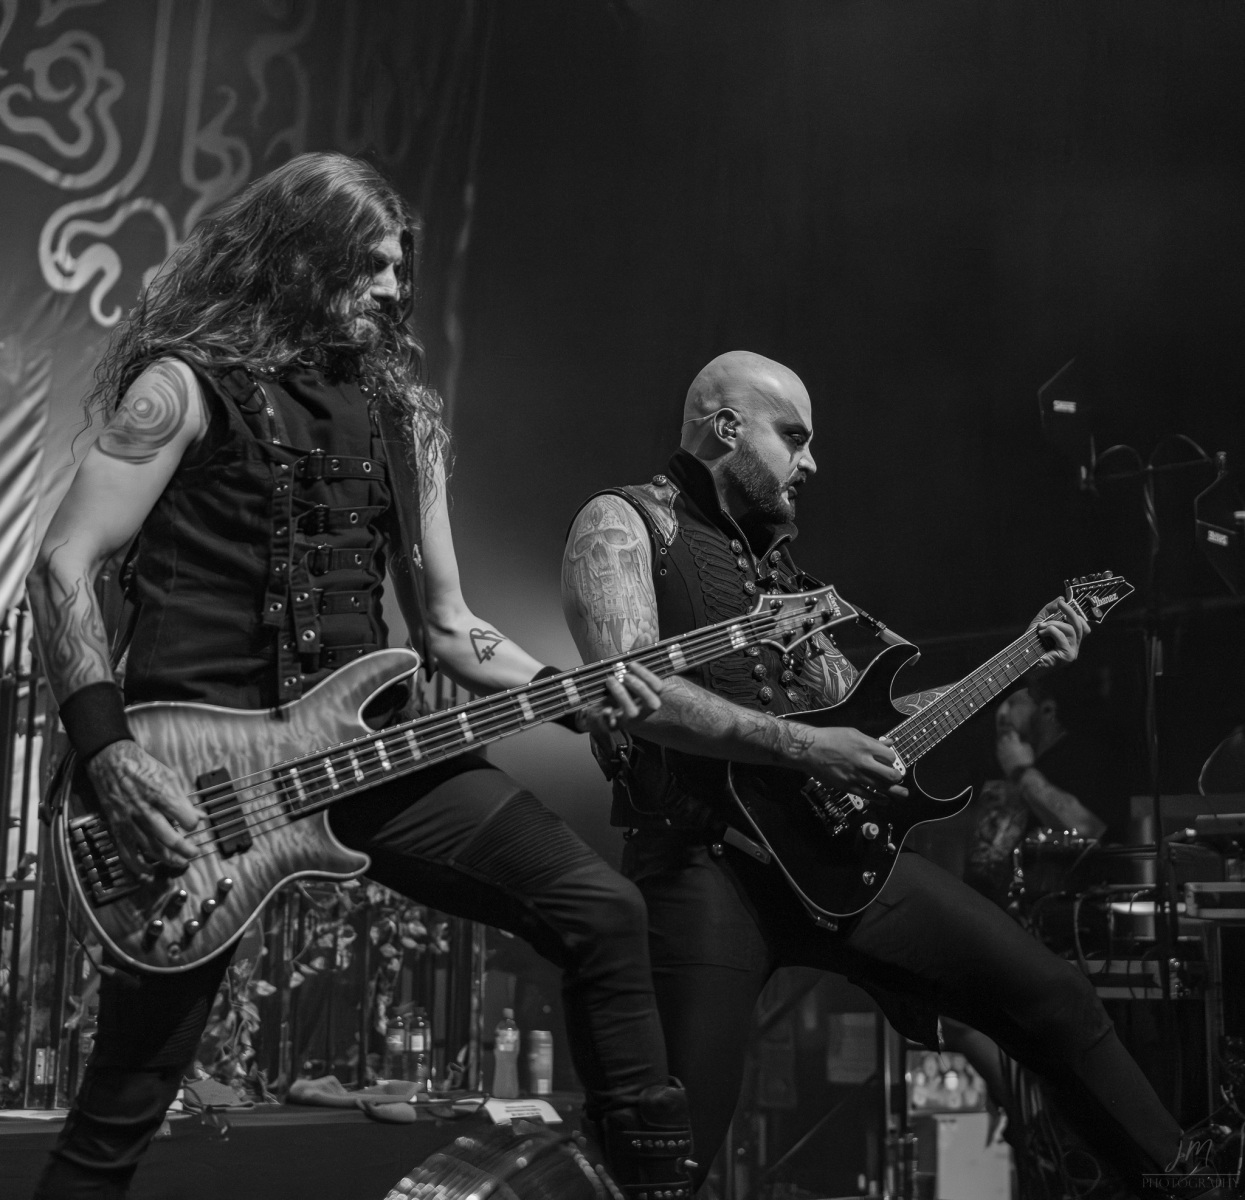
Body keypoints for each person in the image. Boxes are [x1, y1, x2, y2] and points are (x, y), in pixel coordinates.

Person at [27, 153, 692, 1199]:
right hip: (198, 783)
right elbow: (61, 565)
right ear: (296, 257)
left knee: (603, 911)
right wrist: (107, 753)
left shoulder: (403, 418)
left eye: (399, 268)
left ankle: (653, 1185)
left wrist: (577, 702)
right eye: (369, 264)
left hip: (366, 756)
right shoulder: (182, 387)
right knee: (125, 1103)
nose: (392, 287)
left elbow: (450, 627)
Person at [561, 350, 1228, 1198]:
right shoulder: (624, 523)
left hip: (833, 858)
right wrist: (808, 749)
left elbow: (873, 725)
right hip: (701, 865)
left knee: (1052, 998)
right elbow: (629, 689)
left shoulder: (780, 572)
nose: (811, 463)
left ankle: (1187, 1184)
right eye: (793, 437)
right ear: (726, 428)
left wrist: (1020, 659)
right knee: (672, 1148)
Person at [965, 672, 1130, 906]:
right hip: (996, 911)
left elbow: (1089, 830)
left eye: (1013, 704)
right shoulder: (1003, 765)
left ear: (1047, 710)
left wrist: (1022, 773)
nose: (1003, 714)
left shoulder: (1084, 758)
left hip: (1061, 913)